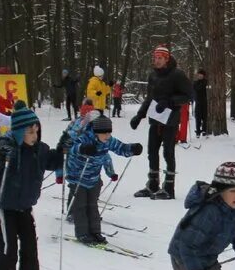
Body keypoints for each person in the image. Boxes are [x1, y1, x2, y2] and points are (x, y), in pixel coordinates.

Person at [0, 105, 64, 270]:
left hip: (25, 207)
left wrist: (64, 147)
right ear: (18, 131)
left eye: (36, 130)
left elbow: (54, 161)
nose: (34, 135)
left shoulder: (40, 149)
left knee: (30, 247)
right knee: (9, 249)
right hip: (5, 207)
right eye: (29, 131)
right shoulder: (6, 148)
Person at [66, 114, 141, 244]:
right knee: (81, 207)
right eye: (104, 133)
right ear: (95, 132)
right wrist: (82, 148)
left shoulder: (108, 140)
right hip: (77, 177)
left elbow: (120, 148)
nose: (107, 136)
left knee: (93, 206)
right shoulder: (84, 138)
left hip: (93, 178)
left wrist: (132, 149)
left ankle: (95, 232)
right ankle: (83, 234)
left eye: (109, 133)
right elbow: (71, 149)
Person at [130, 46, 192, 199]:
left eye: (160, 58)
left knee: (168, 152)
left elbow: (189, 95)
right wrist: (139, 116)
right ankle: (152, 185)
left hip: (170, 120)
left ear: (167, 59)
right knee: (151, 151)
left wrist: (170, 102)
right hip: (155, 118)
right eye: (155, 58)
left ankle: (169, 188)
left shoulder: (177, 74)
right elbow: (150, 98)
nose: (156, 61)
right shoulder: (153, 75)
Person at [192, 69, 208, 136]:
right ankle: (198, 131)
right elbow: (194, 90)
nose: (200, 76)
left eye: (201, 75)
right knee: (197, 117)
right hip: (197, 102)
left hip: (204, 102)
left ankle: (204, 130)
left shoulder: (206, 82)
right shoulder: (195, 82)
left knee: (204, 117)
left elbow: (203, 89)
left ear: (203, 75)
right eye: (199, 75)